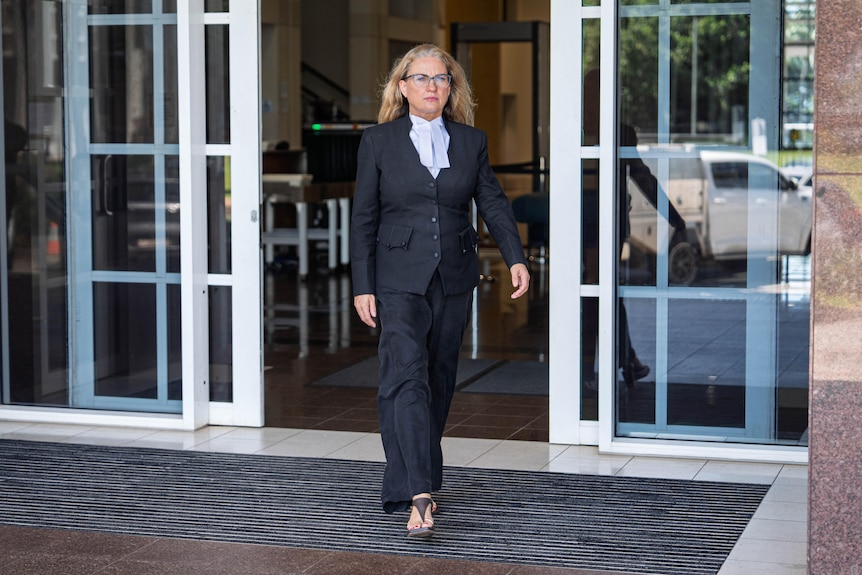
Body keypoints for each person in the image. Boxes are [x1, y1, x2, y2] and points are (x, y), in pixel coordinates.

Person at [350, 44, 530, 538]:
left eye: (442, 78)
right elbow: (363, 218)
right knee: (407, 377)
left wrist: (516, 256)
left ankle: (408, 477)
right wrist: (362, 284)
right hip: (396, 278)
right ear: (402, 85)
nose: (432, 86)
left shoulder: (471, 142)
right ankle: (420, 492)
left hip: (454, 277)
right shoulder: (379, 142)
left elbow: (492, 201)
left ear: (451, 89)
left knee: (438, 379)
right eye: (421, 77)